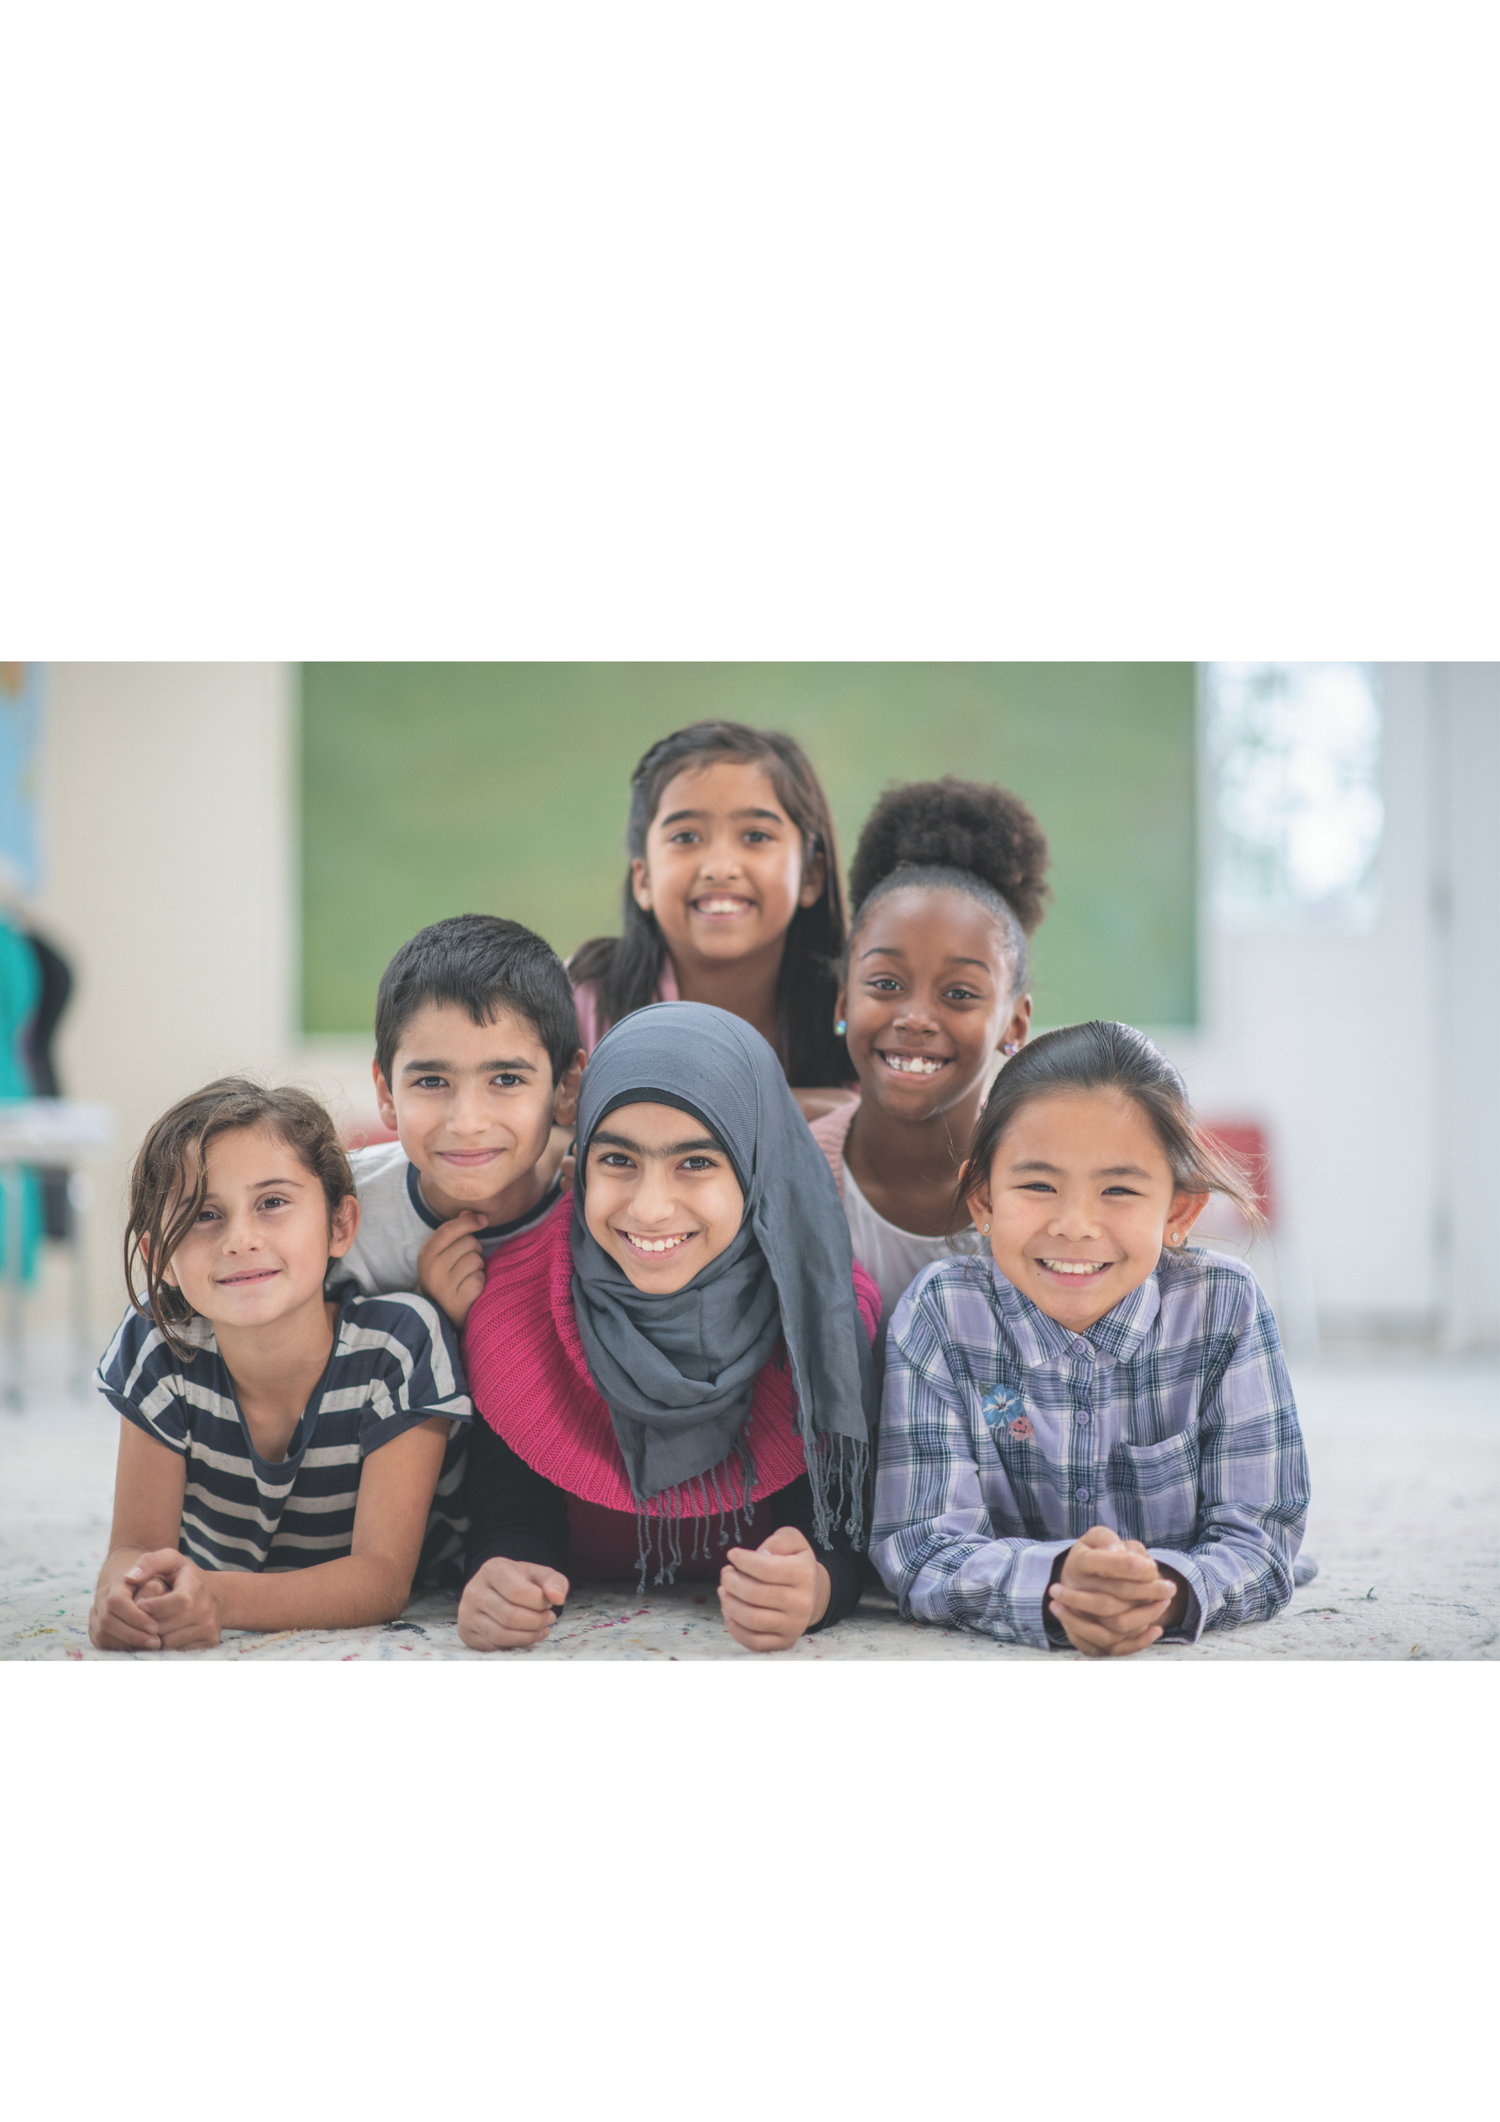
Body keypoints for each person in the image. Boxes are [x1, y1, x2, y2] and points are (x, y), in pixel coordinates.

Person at [871, 1021, 1310, 1655]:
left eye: (1119, 1190)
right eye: (1038, 1185)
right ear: (982, 1197)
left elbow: (1261, 1539)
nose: (1075, 1225)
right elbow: (919, 1545)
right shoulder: (941, 1313)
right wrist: (1057, 1585)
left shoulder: (1226, 1308)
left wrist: (1163, 1590)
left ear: (1179, 1212)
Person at [456, 1002, 879, 1654]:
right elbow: (511, 1523)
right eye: (618, 1160)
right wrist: (499, 1579)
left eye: (697, 1163)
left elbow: (840, 1540)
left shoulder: (823, 1315)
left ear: (757, 1168)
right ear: (581, 1162)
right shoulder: (514, 1309)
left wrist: (815, 1586)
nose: (651, 1208)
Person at [89, 1080, 473, 1653]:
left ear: (340, 1225)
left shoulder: (400, 1343)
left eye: (272, 1203)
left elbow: (382, 1580)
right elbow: (135, 1548)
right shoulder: (157, 1344)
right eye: (203, 1214)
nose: (240, 1239)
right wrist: (127, 1596)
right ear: (158, 1259)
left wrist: (214, 1598)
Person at [810, 775, 1049, 1336]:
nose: (915, 1017)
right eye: (886, 984)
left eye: (959, 993)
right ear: (844, 998)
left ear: (1013, 1023)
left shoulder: (1048, 1194)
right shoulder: (792, 1176)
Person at [568, 721, 852, 1117]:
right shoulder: (578, 1001)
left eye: (755, 836)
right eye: (686, 837)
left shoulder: (862, 1010)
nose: (719, 867)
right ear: (644, 878)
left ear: (811, 875)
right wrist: (791, 1110)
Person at [345, 914, 586, 1330]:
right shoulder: (338, 1216)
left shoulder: (603, 1203)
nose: (467, 1122)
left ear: (565, 1088)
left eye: (507, 1079)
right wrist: (421, 1310)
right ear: (386, 1095)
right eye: (432, 1081)